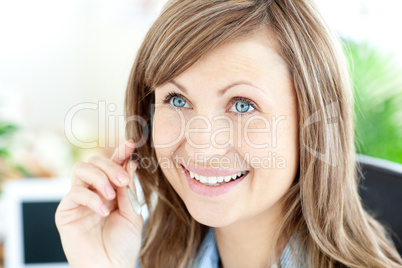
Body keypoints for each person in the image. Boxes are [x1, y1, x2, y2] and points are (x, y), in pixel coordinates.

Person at [55, 0, 402, 267]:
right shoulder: (136, 254)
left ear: (312, 124)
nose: (203, 144)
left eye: (242, 105)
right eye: (177, 99)